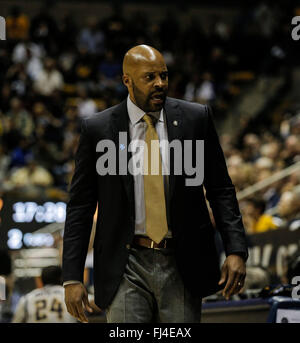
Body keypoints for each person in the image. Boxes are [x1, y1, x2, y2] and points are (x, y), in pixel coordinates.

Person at [63, 45, 248, 323]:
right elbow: (80, 206)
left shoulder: (196, 119)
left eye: (164, 75)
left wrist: (235, 249)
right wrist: (71, 277)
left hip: (182, 261)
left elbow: (221, 189)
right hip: (125, 264)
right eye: (149, 77)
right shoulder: (98, 129)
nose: (160, 83)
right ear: (127, 80)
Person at [12, 266, 77, 323]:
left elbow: (16, 321)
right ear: (61, 278)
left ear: (41, 280)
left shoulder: (28, 298)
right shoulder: (72, 295)